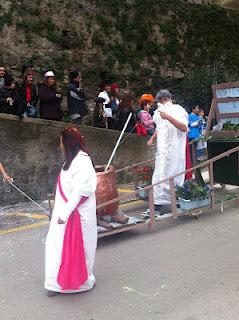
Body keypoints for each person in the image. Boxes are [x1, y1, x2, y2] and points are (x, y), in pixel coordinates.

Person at [45, 127, 97, 296]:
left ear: (68, 144)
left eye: (61, 142)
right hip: (63, 214)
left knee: (81, 248)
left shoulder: (82, 161)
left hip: (77, 216)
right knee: (55, 247)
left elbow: (81, 192)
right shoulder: (71, 161)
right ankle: (54, 284)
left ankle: (79, 282)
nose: (60, 146)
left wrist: (65, 214)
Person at [147, 89, 188, 213]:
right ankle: (156, 204)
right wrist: (152, 138)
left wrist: (168, 117)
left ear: (170, 99)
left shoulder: (178, 110)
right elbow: (159, 128)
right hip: (162, 152)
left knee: (173, 176)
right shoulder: (158, 113)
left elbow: (184, 127)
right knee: (159, 176)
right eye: (161, 100)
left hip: (175, 151)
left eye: (165, 99)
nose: (163, 102)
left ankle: (178, 201)